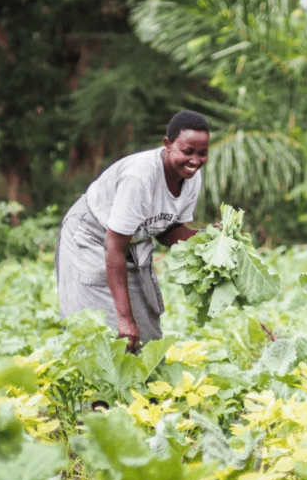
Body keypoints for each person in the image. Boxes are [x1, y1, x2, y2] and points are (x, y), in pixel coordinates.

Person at [55, 110, 210, 353]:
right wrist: (125, 318)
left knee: (147, 336)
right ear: (167, 145)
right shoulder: (141, 177)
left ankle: (143, 387)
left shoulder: (191, 178)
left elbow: (166, 232)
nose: (195, 160)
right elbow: (114, 246)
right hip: (91, 234)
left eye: (202, 153)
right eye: (187, 151)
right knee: (103, 330)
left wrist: (208, 237)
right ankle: (97, 388)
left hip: (133, 242)